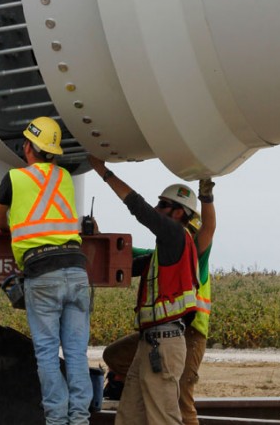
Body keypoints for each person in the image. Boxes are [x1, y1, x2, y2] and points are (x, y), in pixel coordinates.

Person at [88, 155, 206, 425]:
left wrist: (104, 173)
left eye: (163, 205)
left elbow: (139, 208)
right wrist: (95, 239)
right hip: (151, 343)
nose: (157, 208)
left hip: (163, 344)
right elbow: (125, 266)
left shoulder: (176, 234)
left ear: (179, 213)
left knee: (163, 419)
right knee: (129, 415)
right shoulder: (162, 254)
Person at [0, 117, 92, 425]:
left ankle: (57, 421)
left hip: (42, 273)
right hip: (76, 270)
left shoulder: (15, 178)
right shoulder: (64, 178)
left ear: (29, 148)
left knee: (47, 354)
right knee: (76, 354)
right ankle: (80, 420)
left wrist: (10, 231)